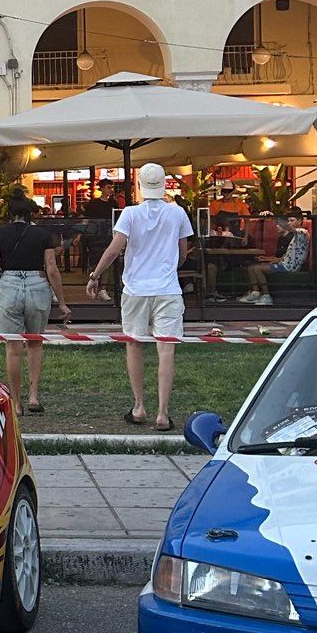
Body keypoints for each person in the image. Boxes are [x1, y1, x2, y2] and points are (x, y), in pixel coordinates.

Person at [86, 162, 193, 431]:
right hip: (168, 288)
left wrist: (95, 274)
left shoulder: (130, 214)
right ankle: (163, 413)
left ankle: (139, 406)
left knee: (134, 345)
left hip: (136, 289)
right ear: (165, 184)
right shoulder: (178, 213)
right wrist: (168, 268)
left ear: (139, 186)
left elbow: (113, 250)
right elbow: (182, 254)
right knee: (166, 348)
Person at [0, 193, 68, 415]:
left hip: (9, 285)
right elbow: (52, 269)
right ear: (30, 214)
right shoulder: (43, 234)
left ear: (9, 213)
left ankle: (16, 403)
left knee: (13, 347)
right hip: (38, 284)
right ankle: (34, 396)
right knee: (35, 343)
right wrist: (63, 302)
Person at [240, 210, 311, 306]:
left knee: (257, 268)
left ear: (300, 221)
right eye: (288, 220)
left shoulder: (303, 232)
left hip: (289, 267)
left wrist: (273, 216)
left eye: (292, 220)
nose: (289, 223)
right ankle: (255, 292)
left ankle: (266, 296)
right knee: (252, 267)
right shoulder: (295, 236)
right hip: (283, 264)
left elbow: (287, 227)